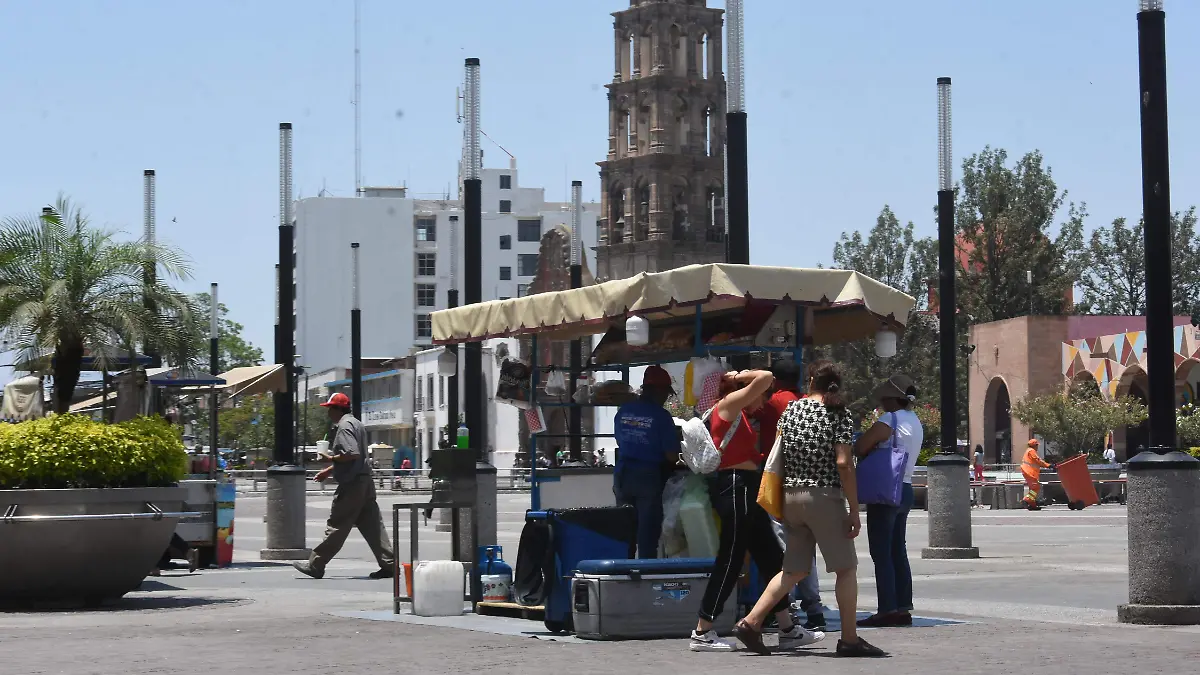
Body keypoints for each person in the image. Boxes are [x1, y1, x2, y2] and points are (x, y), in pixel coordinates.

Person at [734, 361, 885, 658]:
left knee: (793, 569)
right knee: (845, 568)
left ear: (812, 380)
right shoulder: (839, 413)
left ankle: (751, 622)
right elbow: (844, 463)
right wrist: (854, 509)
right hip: (823, 497)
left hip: (791, 497)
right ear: (836, 385)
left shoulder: (792, 410)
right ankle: (850, 639)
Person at [691, 369, 820, 653]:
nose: (763, 403)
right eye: (760, 396)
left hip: (746, 486)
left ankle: (787, 628)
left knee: (771, 556)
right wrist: (744, 376)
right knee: (731, 558)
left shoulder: (740, 414)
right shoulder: (728, 406)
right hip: (734, 487)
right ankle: (702, 630)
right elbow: (767, 376)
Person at [752, 358, 828, 631]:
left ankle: (787, 609)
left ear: (775, 381)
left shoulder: (774, 403)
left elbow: (749, 414)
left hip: (779, 482)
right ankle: (814, 610)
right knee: (806, 548)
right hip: (809, 483)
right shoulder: (809, 403)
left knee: (783, 548)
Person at [293, 393, 396, 579]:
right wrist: (330, 469)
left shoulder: (344, 426)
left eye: (330, 408)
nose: (328, 413)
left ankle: (316, 564)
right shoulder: (356, 423)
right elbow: (356, 456)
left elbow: (351, 453)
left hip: (352, 484)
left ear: (338, 409)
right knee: (372, 524)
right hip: (365, 481)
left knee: (337, 524)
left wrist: (330, 458)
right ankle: (389, 564)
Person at [854, 374, 923, 628]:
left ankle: (887, 609)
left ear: (893, 399)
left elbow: (861, 446)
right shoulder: (915, 421)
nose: (881, 403)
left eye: (884, 398)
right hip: (905, 488)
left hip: (885, 491)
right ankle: (903, 607)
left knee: (881, 552)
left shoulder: (889, 420)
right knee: (898, 551)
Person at [612, 366, 681, 559]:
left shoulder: (624, 411)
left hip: (623, 475)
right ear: (658, 390)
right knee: (647, 533)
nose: (666, 398)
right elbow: (671, 456)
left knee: (624, 529)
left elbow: (620, 440)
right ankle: (645, 577)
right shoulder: (661, 417)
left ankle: (623, 573)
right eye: (666, 393)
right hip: (647, 477)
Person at [1021, 439, 1052, 511]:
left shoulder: (1028, 450)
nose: (1038, 447)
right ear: (1035, 445)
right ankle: (1027, 499)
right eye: (1037, 445)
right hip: (1029, 472)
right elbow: (1038, 461)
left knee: (1034, 487)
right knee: (1036, 487)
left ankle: (1032, 504)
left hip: (1027, 471)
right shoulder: (1031, 451)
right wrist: (1048, 465)